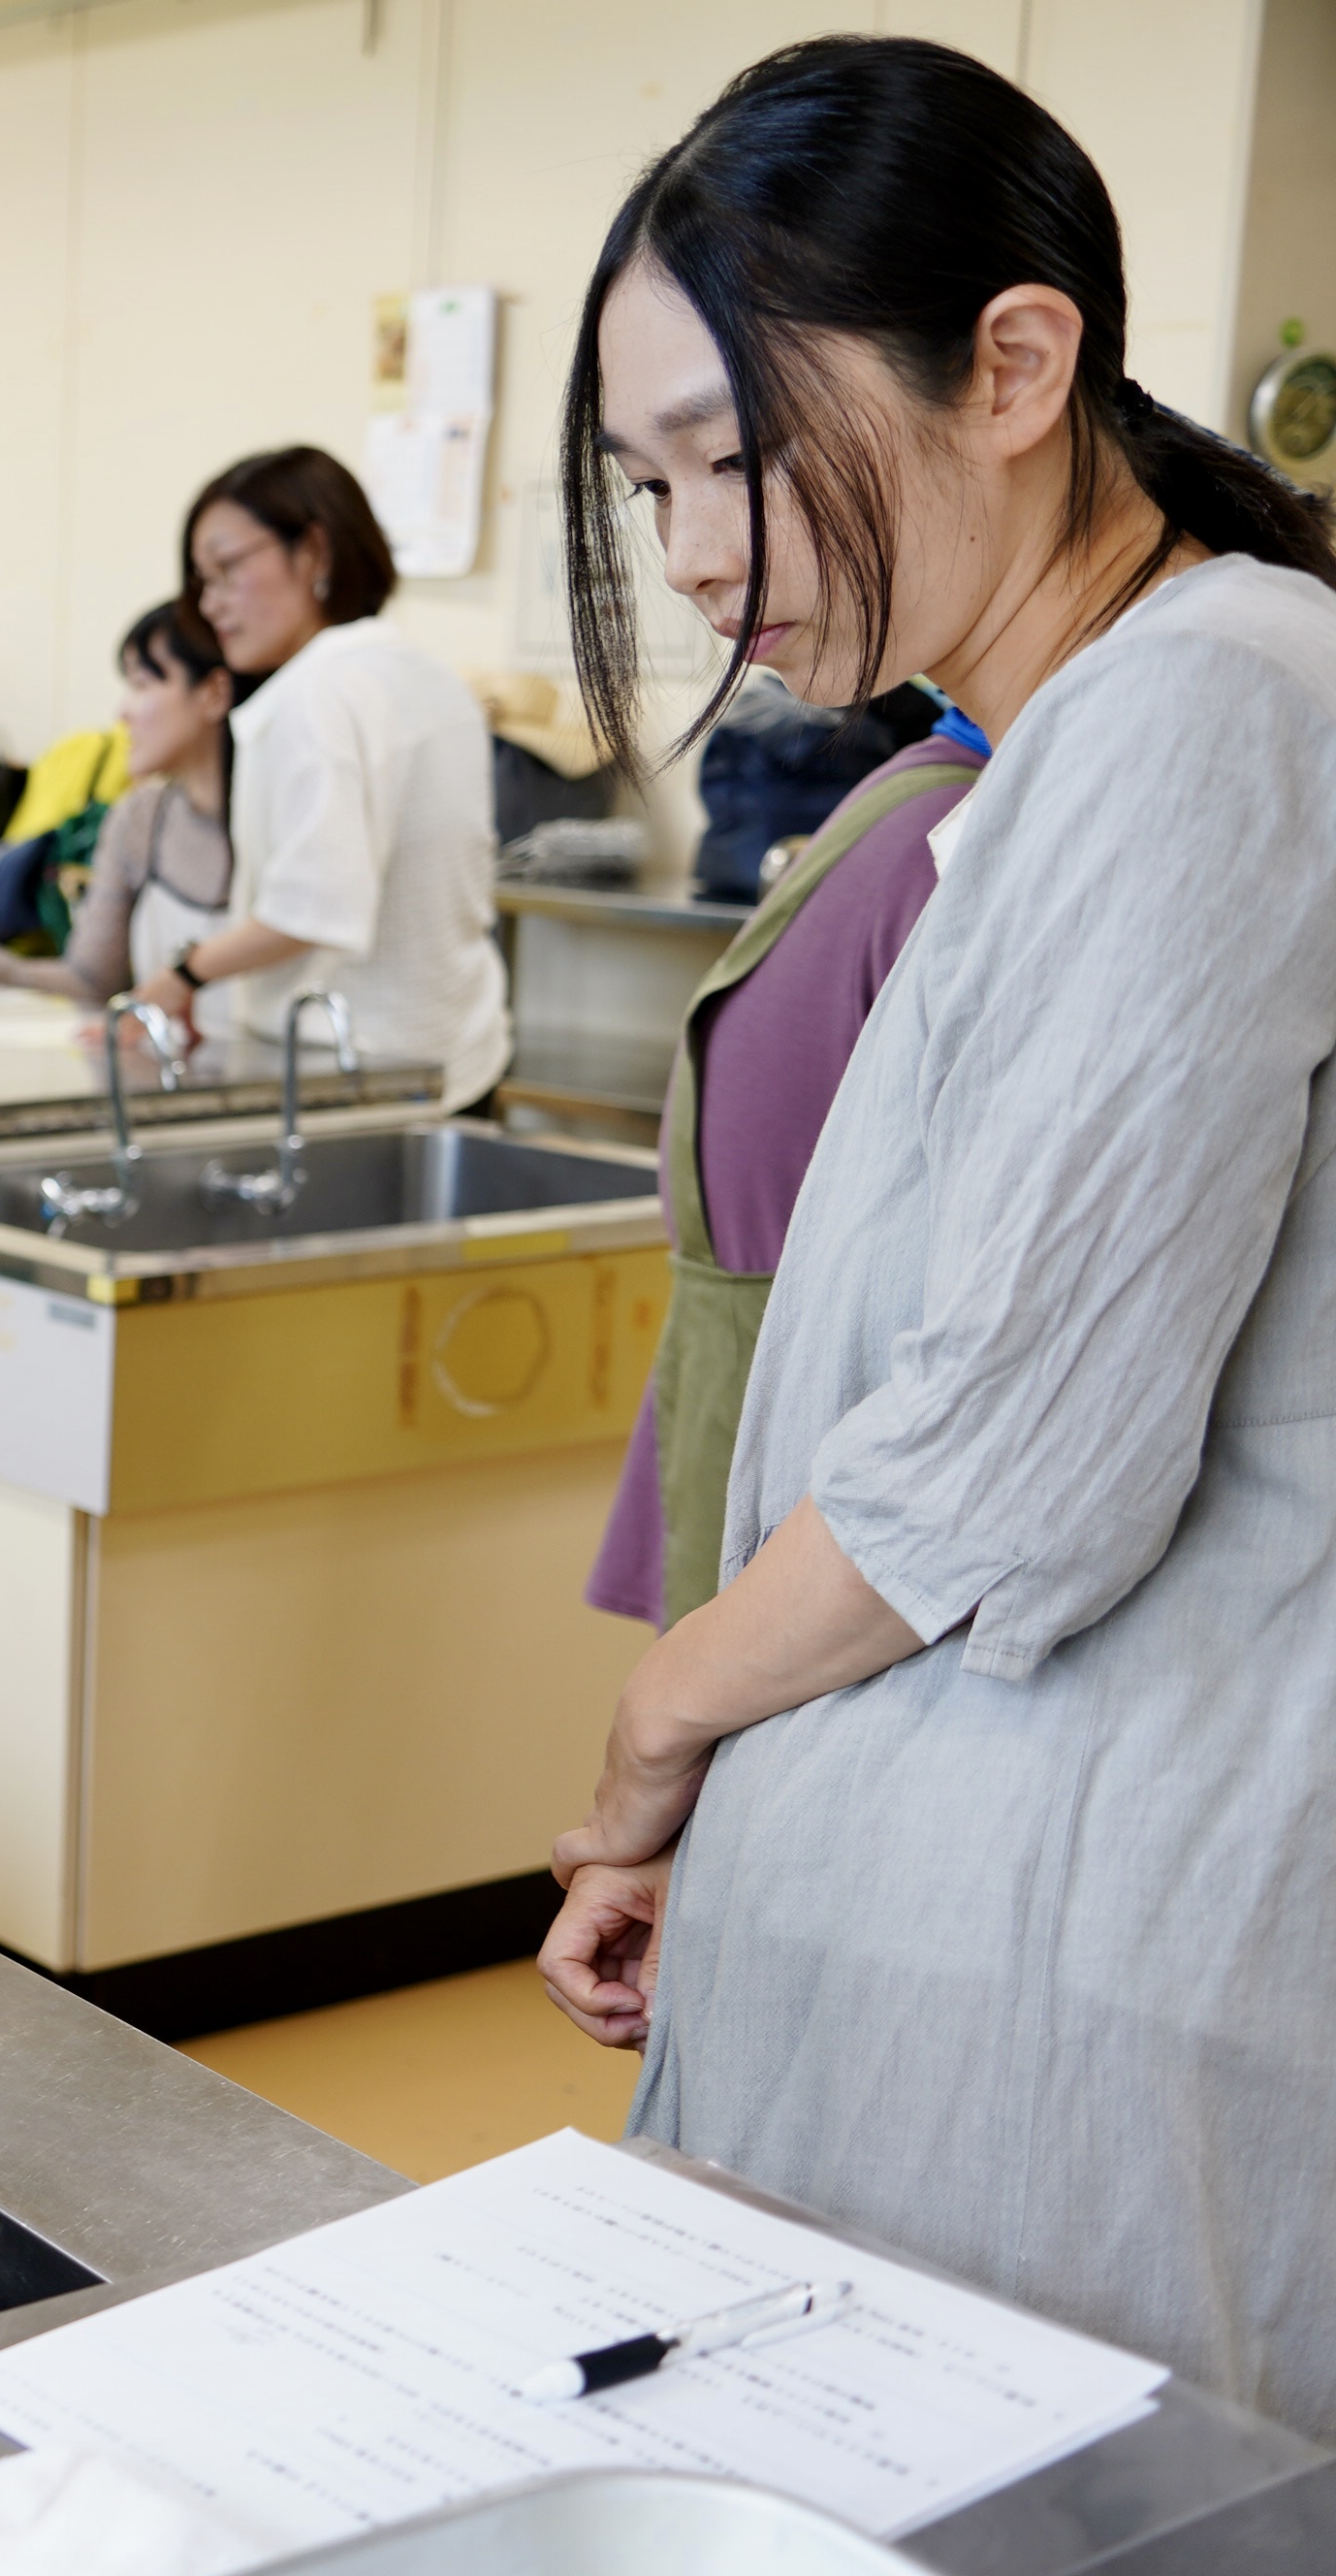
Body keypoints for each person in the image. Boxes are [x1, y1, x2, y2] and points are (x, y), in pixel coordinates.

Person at [534, 34, 1336, 2438]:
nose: (687, 556)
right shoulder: (1044, 750)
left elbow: (1012, 1465)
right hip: (959, 1932)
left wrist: (668, 1716)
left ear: (1016, 363)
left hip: (1092, 1969)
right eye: (643, 479)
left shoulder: (1213, 709)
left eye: (732, 460)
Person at [584, 692, 979, 1629]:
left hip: (833, 1388)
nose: (695, 568)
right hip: (746, 1344)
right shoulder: (920, 799)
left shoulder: (957, 828)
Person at [170, 447, 510, 1107]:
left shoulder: (314, 692)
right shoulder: (431, 677)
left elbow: (313, 908)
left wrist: (182, 974)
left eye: (227, 569)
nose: (211, 604)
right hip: (458, 1063)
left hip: (352, 1074)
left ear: (314, 552)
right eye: (201, 581)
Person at [0, 600, 235, 1004]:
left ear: (214, 694)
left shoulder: (272, 812)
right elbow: (89, 980)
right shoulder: (140, 817)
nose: (123, 713)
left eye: (142, 685)